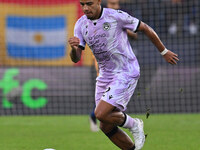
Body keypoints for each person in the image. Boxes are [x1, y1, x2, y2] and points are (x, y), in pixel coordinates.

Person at [68, 0, 179, 149]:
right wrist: (74, 48)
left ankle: (134, 124)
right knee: (105, 126)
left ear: (99, 1)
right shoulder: (80, 24)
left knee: (100, 114)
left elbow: (145, 28)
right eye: (82, 4)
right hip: (104, 75)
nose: (85, 8)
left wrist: (164, 51)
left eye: (89, 3)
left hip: (125, 71)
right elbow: (76, 58)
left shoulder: (116, 16)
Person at [89, 0, 138, 133]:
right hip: (105, 65)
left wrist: (123, 30)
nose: (115, 6)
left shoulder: (121, 17)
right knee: (106, 103)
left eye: (116, 4)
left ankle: (99, 117)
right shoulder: (100, 18)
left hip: (122, 64)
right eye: (112, 4)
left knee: (109, 103)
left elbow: (136, 35)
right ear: (106, 5)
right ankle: (96, 116)